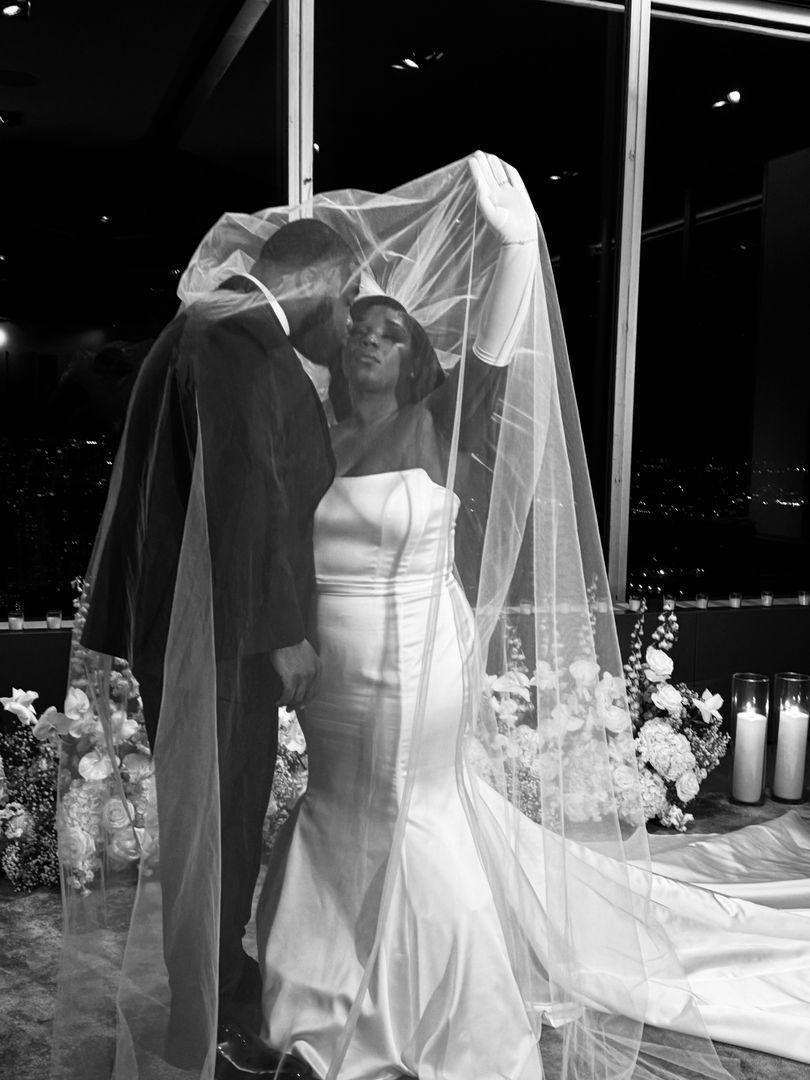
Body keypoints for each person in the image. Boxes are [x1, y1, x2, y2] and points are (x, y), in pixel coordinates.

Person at [254, 154, 810, 1080]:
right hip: (331, 672)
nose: (371, 340)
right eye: (361, 327)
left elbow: (502, 342)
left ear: (415, 356)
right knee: (340, 805)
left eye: (392, 333)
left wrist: (512, 234)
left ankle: (423, 1010)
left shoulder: (440, 421)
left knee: (406, 809)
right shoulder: (312, 430)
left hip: (413, 660)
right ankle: (323, 985)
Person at [77, 218, 359, 1080]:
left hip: (186, 629)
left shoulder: (199, 323)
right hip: (223, 640)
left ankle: (216, 990)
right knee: (222, 825)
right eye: (345, 300)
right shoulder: (239, 339)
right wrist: (283, 635)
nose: (345, 322)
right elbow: (240, 499)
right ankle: (217, 1014)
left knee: (213, 819)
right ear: (316, 283)